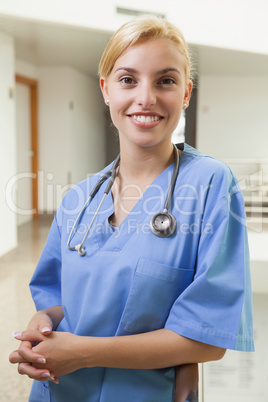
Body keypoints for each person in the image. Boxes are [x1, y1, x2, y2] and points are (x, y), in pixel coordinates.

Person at [9, 14, 254, 402]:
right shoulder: (77, 199)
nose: (146, 97)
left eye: (166, 80)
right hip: (58, 391)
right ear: (106, 89)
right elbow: (56, 302)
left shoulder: (211, 185)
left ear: (186, 93)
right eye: (128, 79)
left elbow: (208, 338)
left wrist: (83, 353)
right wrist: (41, 325)